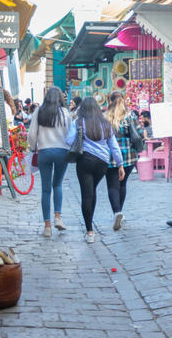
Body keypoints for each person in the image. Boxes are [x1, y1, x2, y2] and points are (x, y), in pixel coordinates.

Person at [66, 97, 124, 243]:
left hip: (84, 160)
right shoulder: (106, 124)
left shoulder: (78, 122)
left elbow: (69, 140)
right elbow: (114, 146)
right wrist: (120, 164)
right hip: (102, 163)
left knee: (86, 194)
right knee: (92, 191)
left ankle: (89, 232)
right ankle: (90, 227)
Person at [28, 87, 72, 237]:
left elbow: (32, 134)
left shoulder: (39, 111)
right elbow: (70, 134)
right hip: (62, 152)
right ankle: (57, 217)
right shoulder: (65, 113)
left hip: (44, 152)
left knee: (45, 189)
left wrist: (34, 147)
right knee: (58, 184)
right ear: (60, 98)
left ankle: (47, 227)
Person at [104, 91, 142, 230]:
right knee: (123, 183)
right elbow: (138, 132)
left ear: (110, 101)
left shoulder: (105, 116)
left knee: (112, 184)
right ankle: (120, 210)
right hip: (129, 154)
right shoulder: (131, 115)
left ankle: (116, 211)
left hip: (110, 154)